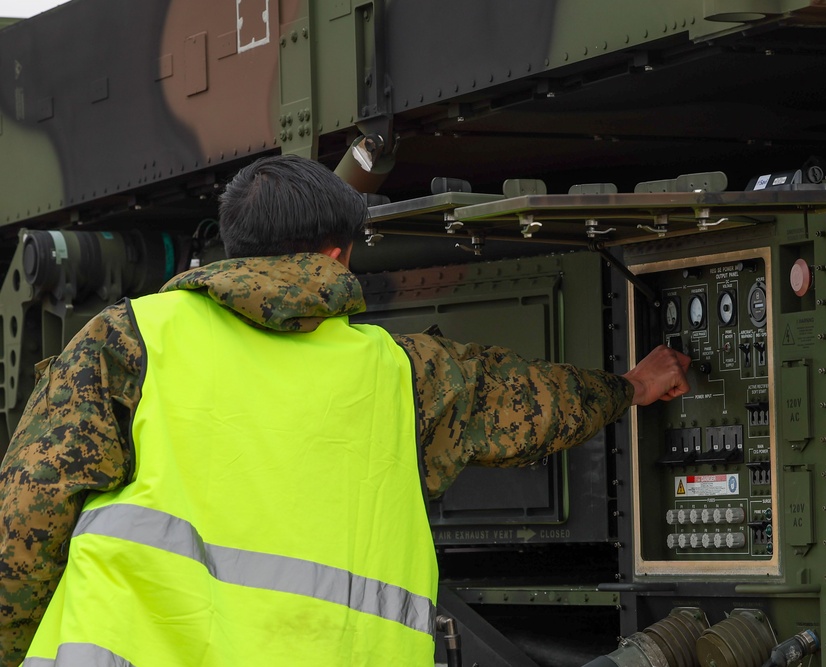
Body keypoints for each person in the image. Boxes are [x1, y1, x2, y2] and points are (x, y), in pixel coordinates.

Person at [0, 154, 690, 666]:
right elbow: (532, 403)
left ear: (236, 246)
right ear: (336, 253)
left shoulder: (130, 340)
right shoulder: (402, 375)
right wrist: (631, 384)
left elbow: (24, 523)